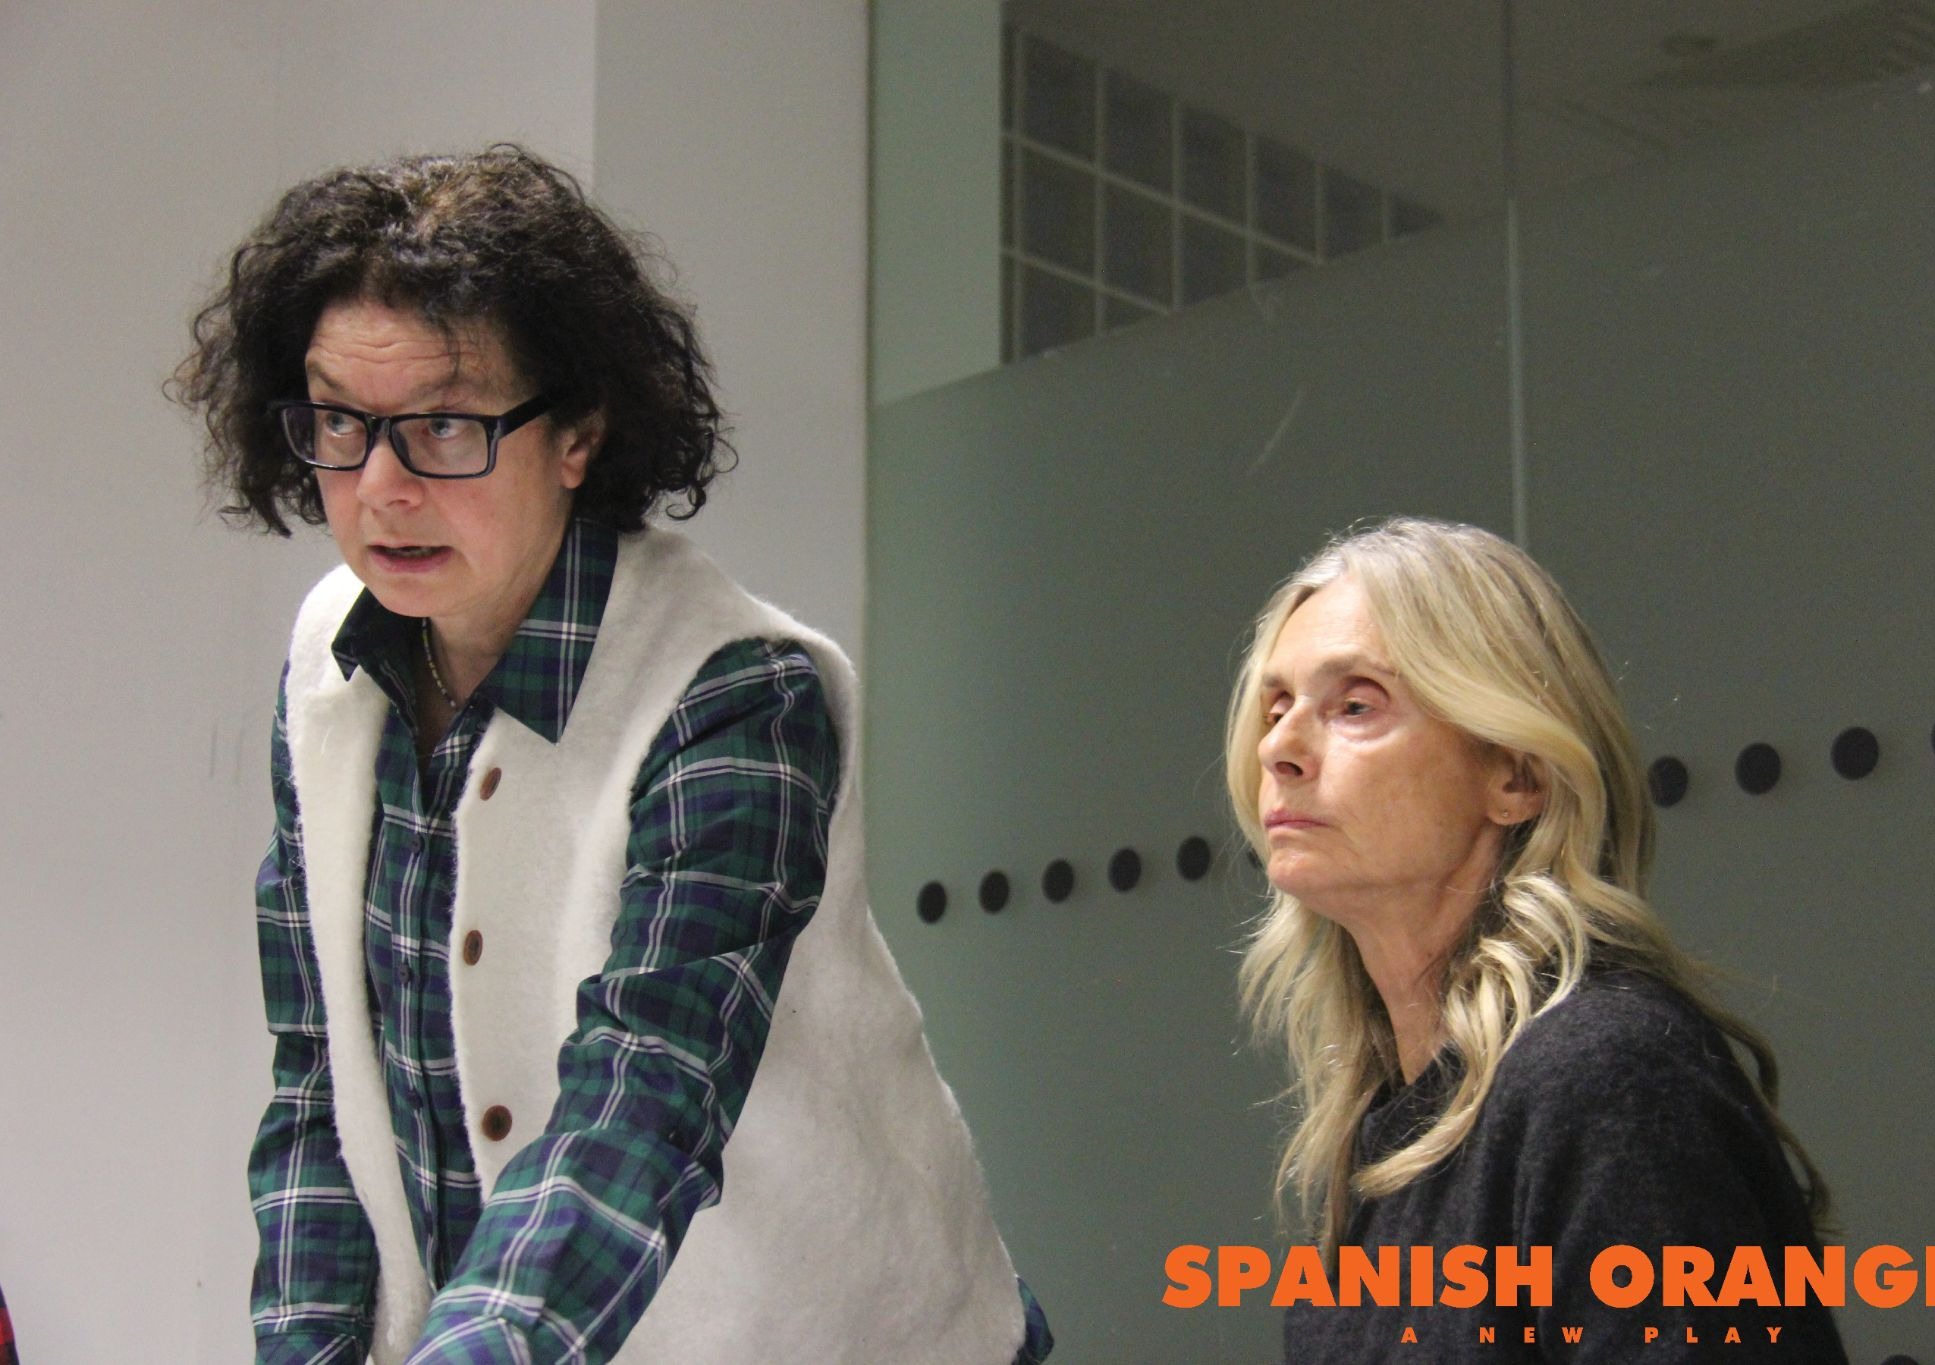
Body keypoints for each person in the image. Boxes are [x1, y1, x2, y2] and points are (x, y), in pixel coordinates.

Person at [176, 146, 1049, 1364]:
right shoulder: (331, 663)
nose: (380, 487)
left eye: (442, 426)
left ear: (577, 435)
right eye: (339, 422)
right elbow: (323, 1088)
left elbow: (640, 1109)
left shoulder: (734, 694)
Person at [1225, 518, 1847, 1361]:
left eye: (1356, 704)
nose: (1279, 747)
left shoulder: (1607, 1077)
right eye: (1276, 707)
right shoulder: (1384, 1129)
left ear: (1516, 772)